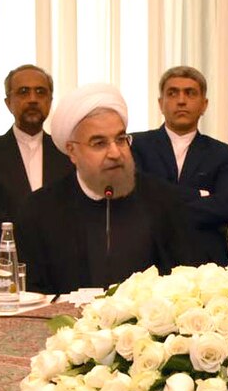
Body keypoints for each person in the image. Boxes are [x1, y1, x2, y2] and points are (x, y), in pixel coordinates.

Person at [15, 83, 191, 293]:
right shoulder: (38, 210)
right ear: (72, 151)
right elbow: (30, 296)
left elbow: (185, 283)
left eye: (121, 139)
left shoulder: (164, 200)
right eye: (99, 143)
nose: (116, 153)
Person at [0, 65, 72, 296]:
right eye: (23, 92)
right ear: (8, 102)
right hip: (2, 263)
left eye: (41, 92)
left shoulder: (68, 154)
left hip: (62, 263)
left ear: (50, 101)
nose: (33, 99)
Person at [131, 66, 228, 265]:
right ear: (160, 103)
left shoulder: (221, 153)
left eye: (190, 93)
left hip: (205, 260)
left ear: (204, 105)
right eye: (172, 93)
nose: (181, 100)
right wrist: (199, 195)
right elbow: (137, 202)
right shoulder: (135, 145)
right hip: (147, 257)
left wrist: (162, 203)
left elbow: (226, 207)